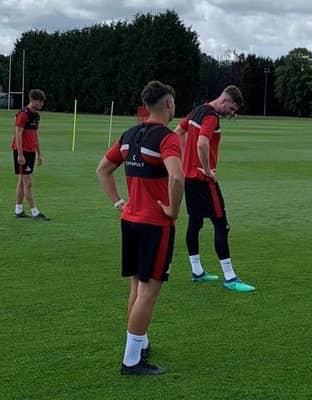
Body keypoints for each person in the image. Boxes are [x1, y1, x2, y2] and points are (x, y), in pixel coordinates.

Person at [96, 80, 184, 375]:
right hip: (154, 225)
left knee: (136, 285)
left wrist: (119, 202)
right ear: (168, 104)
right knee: (149, 291)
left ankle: (140, 343)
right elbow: (177, 177)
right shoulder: (168, 138)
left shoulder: (129, 135)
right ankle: (131, 360)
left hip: (130, 221)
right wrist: (172, 209)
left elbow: (103, 170)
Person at [173, 85, 255, 292]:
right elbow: (202, 143)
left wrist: (185, 161)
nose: (231, 114)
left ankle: (197, 271)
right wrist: (207, 170)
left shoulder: (197, 110)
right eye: (233, 109)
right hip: (203, 180)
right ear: (226, 100)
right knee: (221, 224)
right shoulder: (211, 117)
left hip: (189, 179)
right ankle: (230, 278)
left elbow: (178, 132)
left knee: (195, 222)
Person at [12, 89, 50, 220]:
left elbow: (36, 135)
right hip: (22, 152)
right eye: (40, 101)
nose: (41, 104)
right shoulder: (23, 115)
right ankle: (35, 212)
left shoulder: (36, 116)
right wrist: (20, 155)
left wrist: (39, 154)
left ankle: (18, 210)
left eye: (42, 102)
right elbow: (17, 134)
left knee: (22, 181)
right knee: (27, 182)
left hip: (31, 152)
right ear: (33, 100)